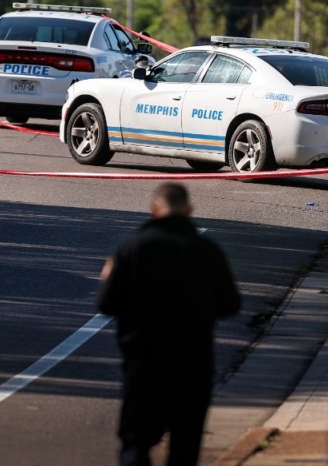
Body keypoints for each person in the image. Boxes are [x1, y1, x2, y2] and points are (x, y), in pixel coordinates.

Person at [97, 183, 241, 466]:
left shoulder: (132, 248)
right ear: (189, 211)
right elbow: (230, 306)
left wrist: (108, 278)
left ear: (153, 210)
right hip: (193, 361)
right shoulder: (207, 250)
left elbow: (106, 305)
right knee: (185, 445)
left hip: (144, 360)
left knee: (136, 440)